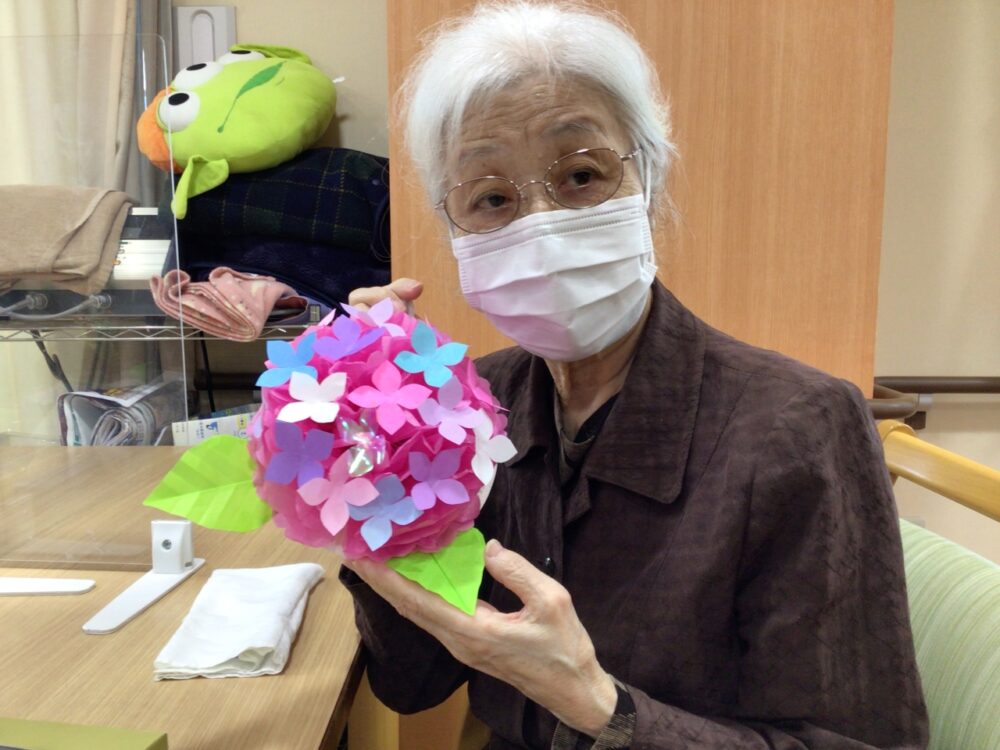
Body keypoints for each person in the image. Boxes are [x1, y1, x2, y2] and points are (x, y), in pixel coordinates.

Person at [340, 2, 929, 748]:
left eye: (581, 175)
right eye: (491, 198)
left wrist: (597, 705)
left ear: (647, 179)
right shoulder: (470, 410)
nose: (542, 225)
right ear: (454, 224)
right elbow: (412, 682)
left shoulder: (797, 426)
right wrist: (369, 468)